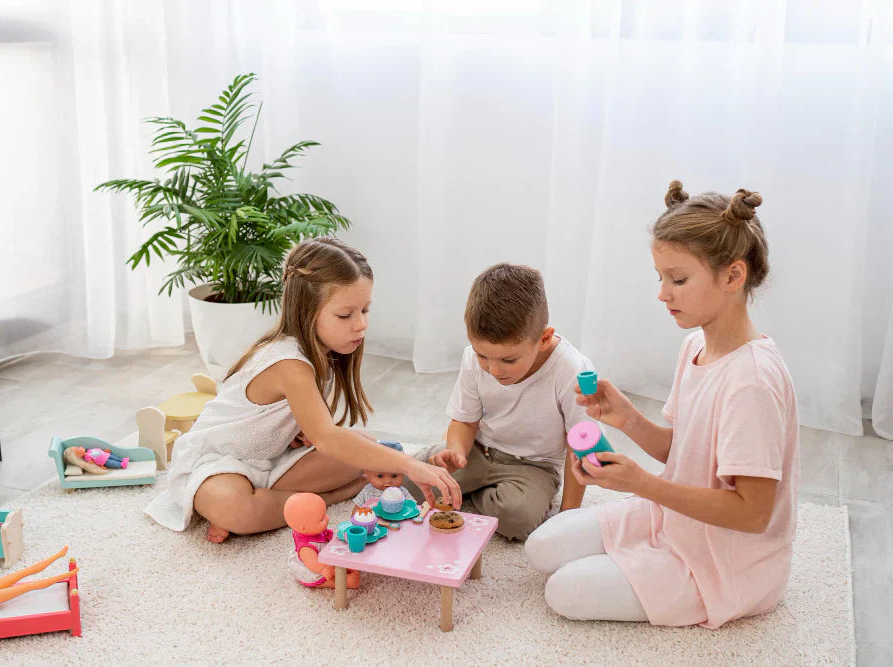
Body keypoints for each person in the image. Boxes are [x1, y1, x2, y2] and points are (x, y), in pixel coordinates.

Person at [525, 181, 799, 629]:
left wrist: (643, 485)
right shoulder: (695, 346)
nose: (662, 293)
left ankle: (708, 581)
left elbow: (753, 512)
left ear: (732, 276)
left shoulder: (752, 381)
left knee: (563, 590)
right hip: (675, 519)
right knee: (541, 549)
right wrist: (628, 418)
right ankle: (645, 553)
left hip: (729, 559)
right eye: (660, 278)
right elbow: (686, 453)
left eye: (678, 279)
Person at [145, 237, 461, 542]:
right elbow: (327, 437)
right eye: (345, 314)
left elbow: (316, 434)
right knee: (236, 508)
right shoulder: (288, 362)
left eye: (365, 310)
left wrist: (301, 436)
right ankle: (314, 498)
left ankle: (271, 501)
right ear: (307, 311)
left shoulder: (321, 352)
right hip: (217, 462)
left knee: (363, 442)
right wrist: (408, 464)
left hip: (273, 462)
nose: (361, 324)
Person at [407, 263, 593, 540]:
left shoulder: (571, 370)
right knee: (411, 479)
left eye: (508, 360)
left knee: (516, 518)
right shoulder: (473, 357)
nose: (494, 370)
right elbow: (465, 420)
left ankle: (481, 492)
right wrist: (456, 451)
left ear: (544, 339)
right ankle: (481, 489)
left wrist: (567, 515)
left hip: (534, 466)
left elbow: (581, 447)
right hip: (479, 450)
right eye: (483, 356)